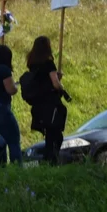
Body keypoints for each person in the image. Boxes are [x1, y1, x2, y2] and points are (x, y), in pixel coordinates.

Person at [27, 35, 68, 165]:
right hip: (51, 103)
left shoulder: (32, 64)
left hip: (38, 104)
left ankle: (49, 160)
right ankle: (51, 161)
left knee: (50, 135)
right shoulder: (49, 63)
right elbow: (55, 84)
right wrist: (60, 84)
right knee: (56, 136)